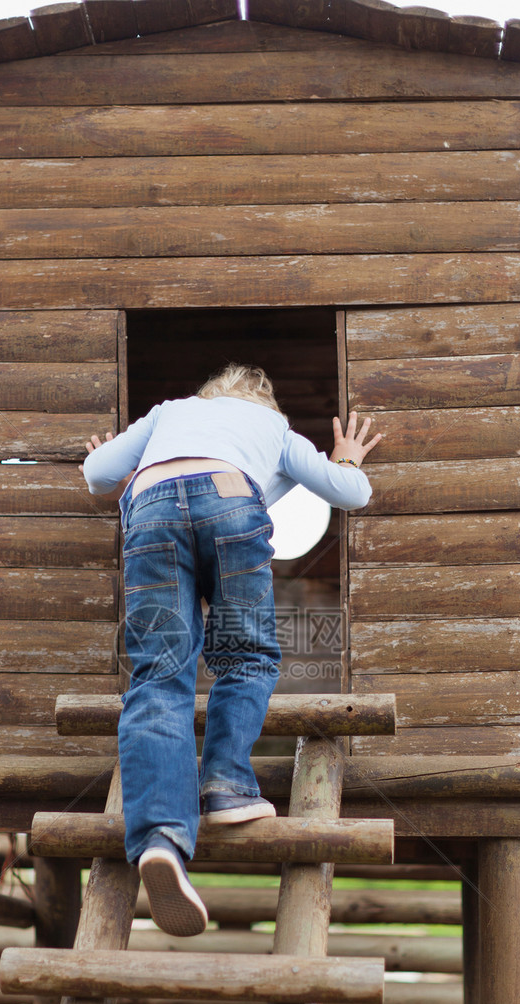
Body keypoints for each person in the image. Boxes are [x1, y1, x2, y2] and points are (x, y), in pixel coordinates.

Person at [82, 364, 381, 938]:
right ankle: (226, 785)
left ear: (208, 396)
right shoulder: (276, 430)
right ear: (264, 405)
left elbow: (96, 472)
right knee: (244, 655)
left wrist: (130, 471)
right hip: (229, 496)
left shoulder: (170, 411)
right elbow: (353, 494)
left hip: (146, 505)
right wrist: (345, 457)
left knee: (159, 674)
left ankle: (160, 839)